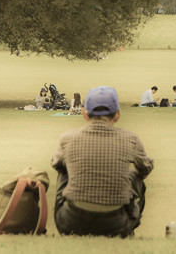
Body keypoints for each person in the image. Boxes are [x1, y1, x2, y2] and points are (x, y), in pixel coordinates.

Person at [50, 86, 153, 238]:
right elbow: (145, 168)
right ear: (117, 115)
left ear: (85, 114)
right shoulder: (130, 139)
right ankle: (131, 224)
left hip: (71, 222)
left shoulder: (67, 138)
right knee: (135, 176)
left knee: (63, 171)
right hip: (117, 224)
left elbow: (56, 164)